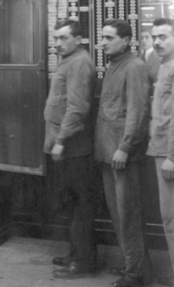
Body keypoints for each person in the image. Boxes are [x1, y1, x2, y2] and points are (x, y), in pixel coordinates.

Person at [95, 19, 152, 287]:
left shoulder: (135, 67)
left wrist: (125, 147)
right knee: (119, 214)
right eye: (103, 37)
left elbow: (138, 112)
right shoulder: (115, 65)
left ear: (126, 40)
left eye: (109, 38)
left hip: (122, 155)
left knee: (127, 214)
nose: (103, 42)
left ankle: (134, 275)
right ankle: (135, 267)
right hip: (109, 153)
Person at [44, 20, 97, 279]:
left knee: (81, 206)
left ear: (79, 39)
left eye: (63, 38)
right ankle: (77, 255)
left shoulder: (79, 63)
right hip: (68, 148)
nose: (57, 43)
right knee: (75, 205)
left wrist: (61, 140)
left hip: (75, 148)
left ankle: (83, 262)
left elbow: (77, 109)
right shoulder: (70, 59)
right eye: (55, 38)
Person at [147, 18, 174, 286]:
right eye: (154, 36)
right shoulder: (164, 65)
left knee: (172, 222)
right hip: (161, 151)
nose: (156, 42)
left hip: (169, 155)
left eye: (164, 36)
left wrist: (172, 157)